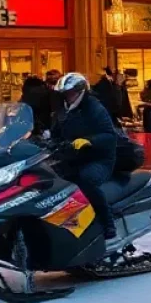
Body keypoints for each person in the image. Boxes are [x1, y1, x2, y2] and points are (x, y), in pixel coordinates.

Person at [51, 73, 118, 242]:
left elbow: (110, 136)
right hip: (71, 157)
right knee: (53, 181)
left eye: (70, 93)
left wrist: (89, 141)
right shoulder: (63, 109)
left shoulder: (95, 108)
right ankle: (71, 224)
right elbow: (55, 133)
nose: (67, 97)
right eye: (65, 94)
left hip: (98, 158)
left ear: (80, 92)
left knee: (86, 180)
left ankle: (107, 224)